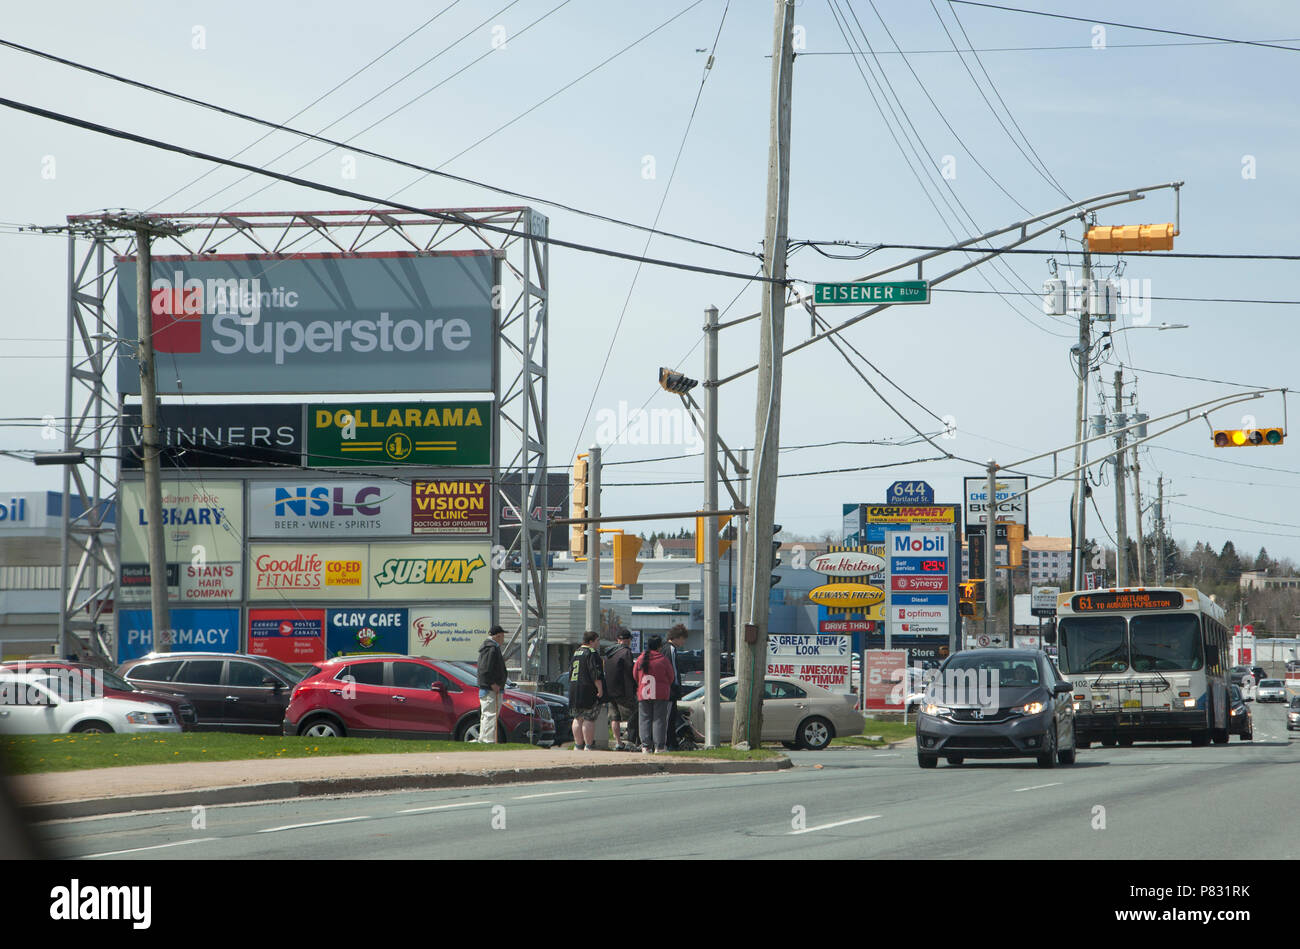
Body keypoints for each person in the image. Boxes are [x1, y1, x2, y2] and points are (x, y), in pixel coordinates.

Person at [633, 634, 675, 753]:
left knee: (644, 719)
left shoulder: (641, 659)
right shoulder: (663, 660)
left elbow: (635, 675)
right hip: (660, 694)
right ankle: (659, 746)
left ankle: (645, 746)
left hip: (644, 693)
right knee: (659, 720)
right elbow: (671, 677)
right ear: (659, 647)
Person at [568, 631, 606, 750]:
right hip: (588, 689)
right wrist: (600, 689)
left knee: (577, 718)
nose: (598, 643)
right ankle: (588, 745)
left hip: (574, 689)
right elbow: (595, 674)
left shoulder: (576, 652)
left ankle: (578, 745)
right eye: (597, 640)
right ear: (591, 642)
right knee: (588, 718)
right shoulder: (592, 653)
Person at [603, 630, 639, 751]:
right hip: (623, 691)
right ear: (629, 640)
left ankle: (618, 742)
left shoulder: (608, 652)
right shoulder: (626, 652)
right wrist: (633, 690)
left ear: (618, 640)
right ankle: (631, 742)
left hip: (610, 691)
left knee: (615, 718)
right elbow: (630, 673)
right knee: (633, 715)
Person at [476, 625, 508, 743]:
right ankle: (488, 740)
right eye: (502, 636)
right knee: (490, 714)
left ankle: (484, 738)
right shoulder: (491, 648)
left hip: (490, 688)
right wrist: (493, 683)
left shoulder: (491, 648)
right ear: (497, 636)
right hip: (490, 689)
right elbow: (485, 669)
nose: (503, 639)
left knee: (488, 715)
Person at [664, 625, 688, 749]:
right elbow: (672, 670)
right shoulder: (671, 650)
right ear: (677, 637)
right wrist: (676, 686)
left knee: (666, 717)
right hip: (670, 689)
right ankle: (670, 742)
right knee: (670, 717)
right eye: (683, 639)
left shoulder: (663, 648)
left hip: (662, 689)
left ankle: (670, 741)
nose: (683, 642)